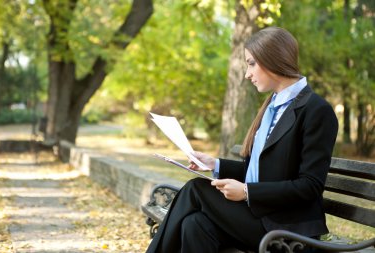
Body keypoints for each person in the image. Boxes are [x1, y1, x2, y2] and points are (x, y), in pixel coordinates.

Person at [145, 26, 339, 253]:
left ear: (273, 58)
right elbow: (259, 171)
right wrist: (215, 164)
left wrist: (247, 192)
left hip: (288, 228)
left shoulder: (316, 110)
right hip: (259, 216)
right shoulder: (271, 106)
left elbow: (310, 186)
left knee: (195, 189)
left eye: (251, 63)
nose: (247, 74)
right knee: (194, 225)